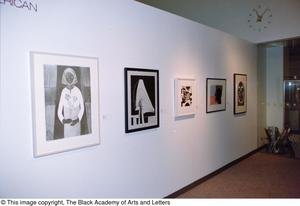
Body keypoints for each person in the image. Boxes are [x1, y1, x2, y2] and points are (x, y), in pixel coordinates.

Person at [57, 68, 84, 138]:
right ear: (64, 77)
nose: (69, 78)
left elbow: (82, 108)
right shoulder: (63, 91)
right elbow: (59, 110)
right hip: (67, 125)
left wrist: (78, 119)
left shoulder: (78, 91)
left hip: (76, 122)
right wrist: (63, 120)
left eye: (71, 76)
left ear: (74, 76)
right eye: (67, 76)